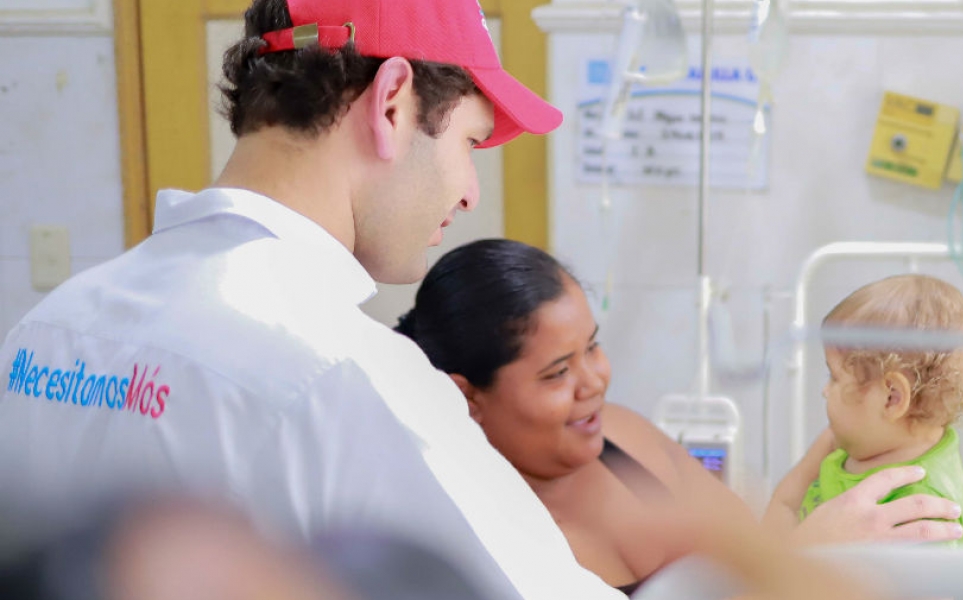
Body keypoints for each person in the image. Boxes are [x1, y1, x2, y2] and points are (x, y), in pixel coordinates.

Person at [0, 0, 616, 598]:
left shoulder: (48, 328)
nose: (469, 194)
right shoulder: (341, 374)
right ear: (393, 104)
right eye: (470, 144)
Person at [397, 240, 963, 595]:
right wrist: (809, 557)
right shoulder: (487, 536)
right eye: (556, 373)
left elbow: (749, 547)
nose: (594, 381)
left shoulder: (624, 438)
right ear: (468, 396)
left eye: (592, 348)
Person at [765, 275, 963, 546]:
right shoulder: (845, 441)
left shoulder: (924, 508)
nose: (824, 390)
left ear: (891, 397)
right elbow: (783, 504)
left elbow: (931, 588)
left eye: (833, 376)